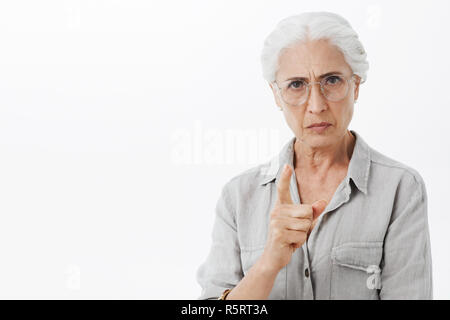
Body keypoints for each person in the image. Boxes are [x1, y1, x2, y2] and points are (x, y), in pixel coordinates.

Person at [196, 11, 432, 300]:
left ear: (355, 85)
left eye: (332, 80)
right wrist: (269, 263)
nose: (316, 105)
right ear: (276, 95)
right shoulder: (238, 196)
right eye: (296, 85)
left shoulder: (400, 189)